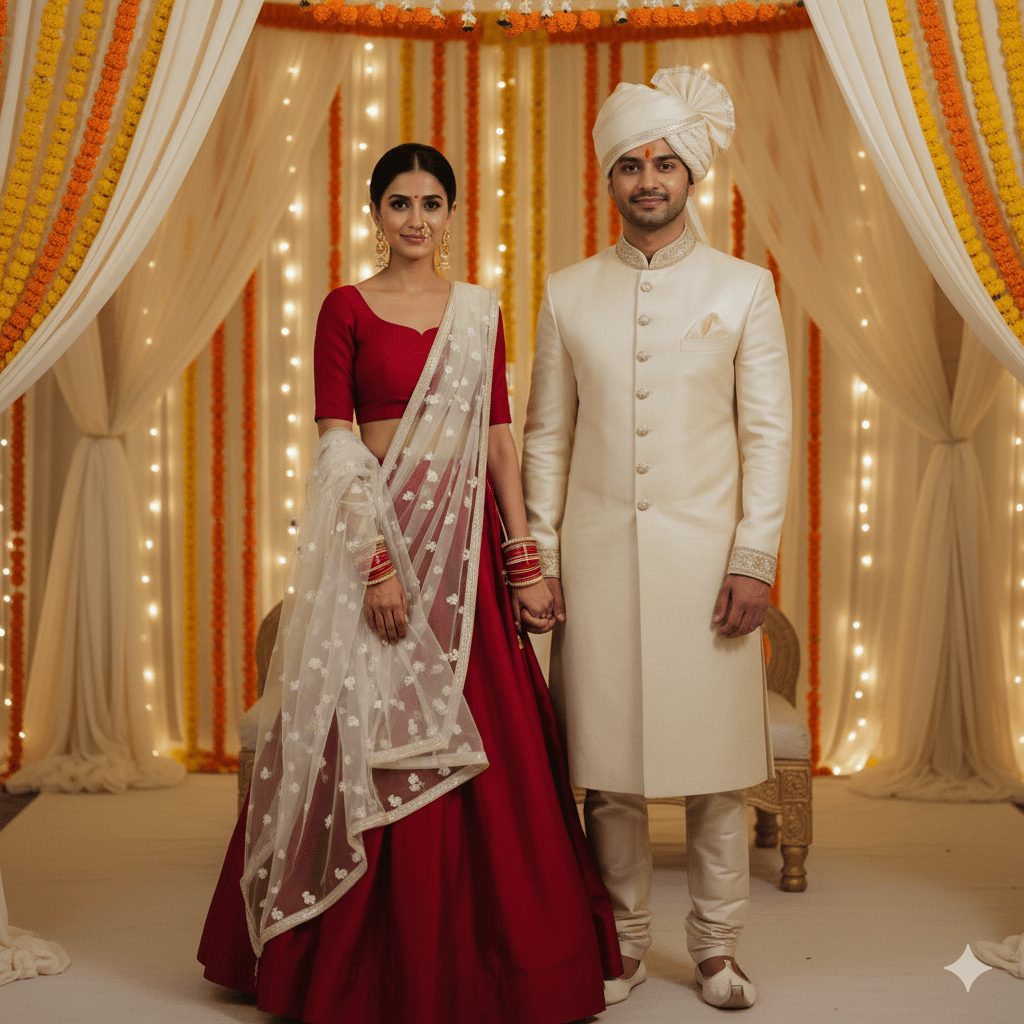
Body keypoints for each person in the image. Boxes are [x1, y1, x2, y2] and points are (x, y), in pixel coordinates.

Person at [198, 143, 621, 1024]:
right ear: (376, 213)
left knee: (493, 737)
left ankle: (507, 964)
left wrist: (523, 554)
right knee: (357, 722)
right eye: (400, 203)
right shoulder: (344, 308)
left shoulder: (480, 311)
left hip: (466, 552)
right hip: (385, 540)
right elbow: (336, 443)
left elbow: (499, 441)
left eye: (432, 202)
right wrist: (376, 565)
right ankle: (345, 963)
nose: (416, 219)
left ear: (452, 212)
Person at [521, 67, 791, 1011]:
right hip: (593, 567)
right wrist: (540, 562)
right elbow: (545, 438)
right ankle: (625, 942)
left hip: (710, 574)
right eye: (630, 165)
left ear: (691, 176)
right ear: (609, 179)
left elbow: (768, 434)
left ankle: (716, 950)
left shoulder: (746, 288)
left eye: (664, 164)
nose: (647, 180)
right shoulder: (567, 293)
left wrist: (754, 559)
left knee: (716, 776)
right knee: (610, 774)